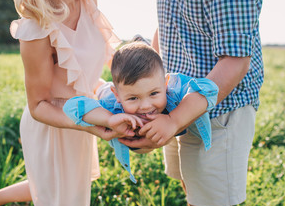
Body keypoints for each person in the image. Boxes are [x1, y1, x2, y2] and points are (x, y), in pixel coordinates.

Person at [0, 0, 137, 206]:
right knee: (60, 198)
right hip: (53, 127)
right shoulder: (35, 26)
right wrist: (91, 124)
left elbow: (81, 75)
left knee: (60, 190)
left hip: (83, 116)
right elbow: (38, 105)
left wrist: (108, 95)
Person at [119, 0, 266, 206]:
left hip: (219, 108)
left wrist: (174, 121)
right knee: (194, 191)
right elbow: (168, 23)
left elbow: (236, 60)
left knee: (209, 204)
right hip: (176, 99)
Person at [62, 41, 219, 184]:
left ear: (165, 84)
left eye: (153, 94)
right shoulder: (113, 105)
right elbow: (71, 107)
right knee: (102, 90)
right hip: (110, 96)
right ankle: (98, 84)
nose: (145, 106)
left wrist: (173, 119)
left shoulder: (174, 91)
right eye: (133, 98)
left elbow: (211, 88)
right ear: (118, 95)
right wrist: (109, 119)